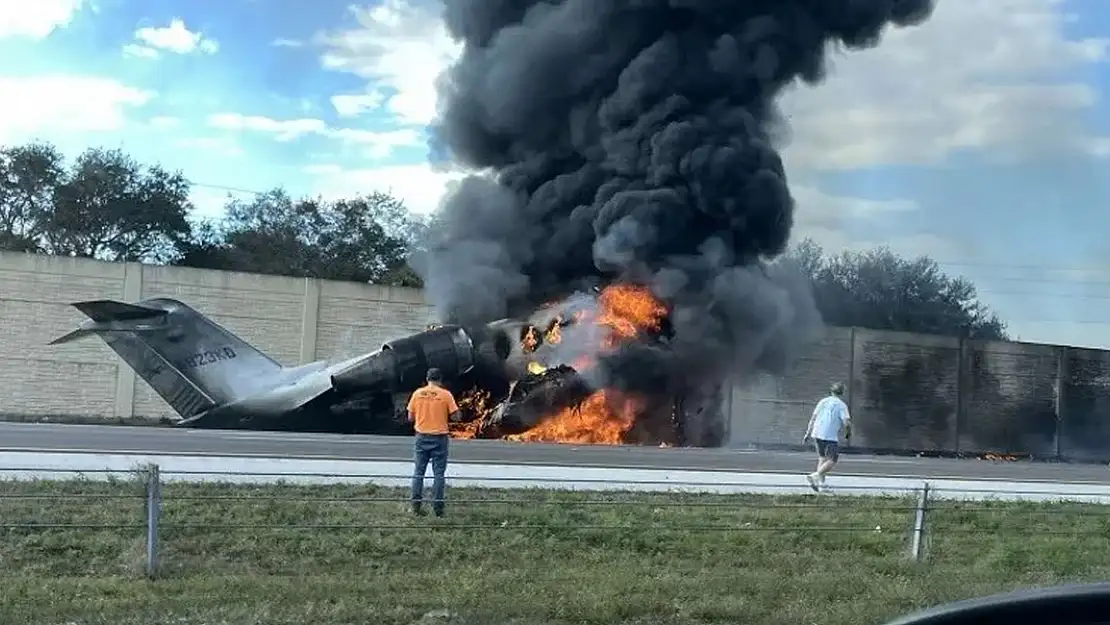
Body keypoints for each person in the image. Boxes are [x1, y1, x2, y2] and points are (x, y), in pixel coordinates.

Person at [406, 367, 460, 517]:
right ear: (440, 380)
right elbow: (456, 417)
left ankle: (416, 507)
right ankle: (438, 509)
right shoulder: (445, 395)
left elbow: (410, 417)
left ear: (427, 379)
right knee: (438, 474)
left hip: (422, 436)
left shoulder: (417, 394)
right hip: (439, 438)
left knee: (418, 472)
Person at [802, 381, 852, 492]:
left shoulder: (823, 401)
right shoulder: (841, 405)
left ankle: (821, 485)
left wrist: (808, 432)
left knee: (822, 458)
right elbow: (847, 422)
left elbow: (813, 418)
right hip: (829, 435)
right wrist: (848, 432)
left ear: (831, 391)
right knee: (833, 459)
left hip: (817, 432)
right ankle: (815, 475)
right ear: (842, 392)